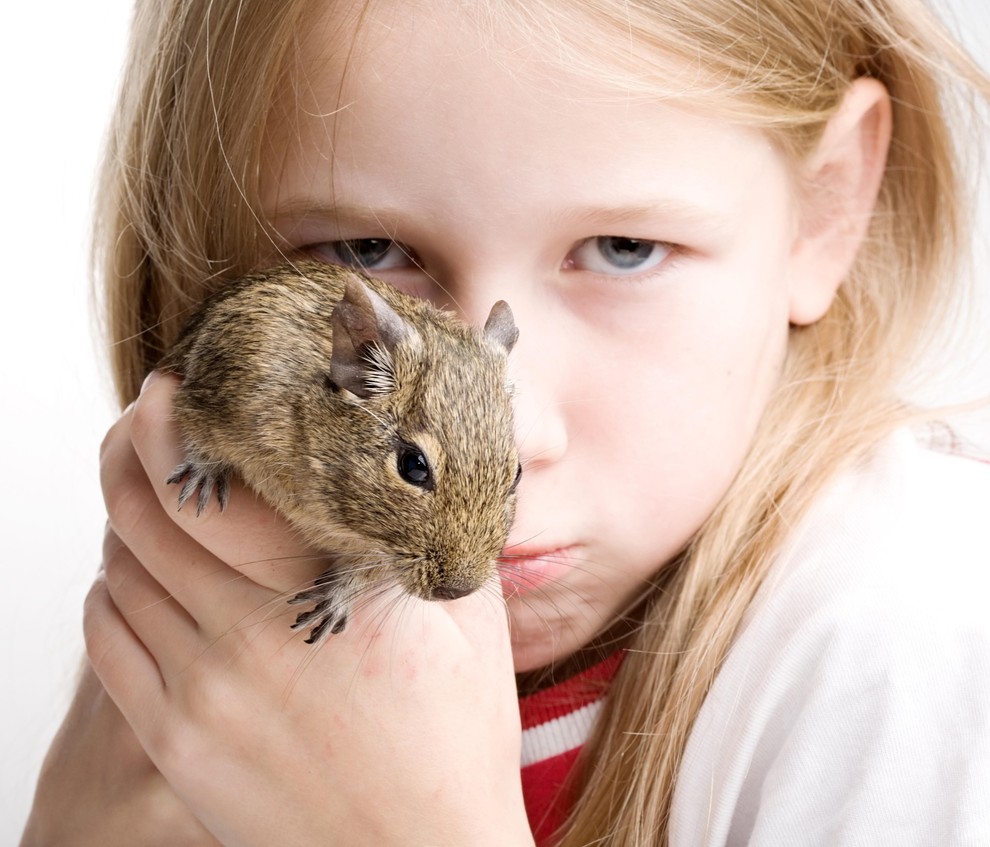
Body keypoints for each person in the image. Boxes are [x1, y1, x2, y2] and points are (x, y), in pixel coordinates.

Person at [20, 0, 990, 844]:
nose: (517, 438)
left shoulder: (903, 652)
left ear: (823, 209)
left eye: (622, 247)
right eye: (367, 247)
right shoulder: (220, 624)